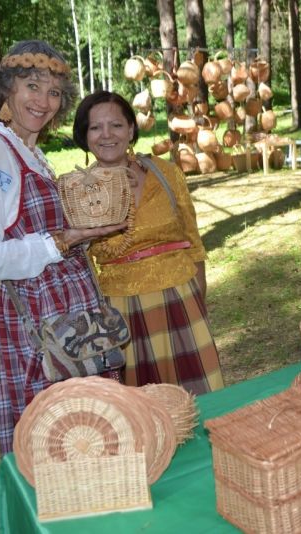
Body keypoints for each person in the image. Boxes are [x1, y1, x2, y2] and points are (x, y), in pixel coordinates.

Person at [0, 41, 125, 455]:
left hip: (72, 321)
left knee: (89, 438)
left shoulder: (31, 151)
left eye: (53, 92)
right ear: (6, 91)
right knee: (58, 445)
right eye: (32, 86)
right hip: (42, 327)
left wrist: (84, 229)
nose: (43, 101)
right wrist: (60, 241)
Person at [72, 91, 225, 395]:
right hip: (120, 313)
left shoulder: (167, 174)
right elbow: (77, 262)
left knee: (200, 400)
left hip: (179, 299)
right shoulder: (75, 191)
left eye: (116, 125)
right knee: (141, 413)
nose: (106, 135)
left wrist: (198, 299)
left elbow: (193, 244)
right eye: (95, 127)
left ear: (131, 130)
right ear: (84, 136)